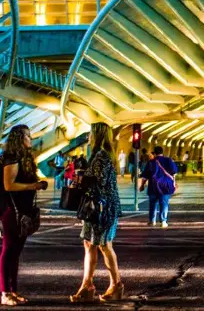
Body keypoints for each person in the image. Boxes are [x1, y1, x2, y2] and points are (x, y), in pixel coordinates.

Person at [70, 123, 123, 303]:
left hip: (102, 208)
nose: (89, 137)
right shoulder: (101, 155)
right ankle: (87, 284)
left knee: (104, 245)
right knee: (89, 244)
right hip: (96, 207)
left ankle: (116, 284)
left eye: (91, 133)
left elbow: (98, 181)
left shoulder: (101, 156)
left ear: (98, 135)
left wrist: (80, 178)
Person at [0, 125, 48, 306]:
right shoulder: (11, 158)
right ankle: (5, 293)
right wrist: (32, 186)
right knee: (8, 251)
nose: (31, 139)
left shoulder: (23, 157)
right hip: (11, 210)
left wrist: (36, 184)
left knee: (16, 253)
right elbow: (9, 185)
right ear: (20, 138)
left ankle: (13, 290)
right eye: (28, 136)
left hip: (23, 209)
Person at [140, 146, 177, 228]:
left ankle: (152, 221)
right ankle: (163, 221)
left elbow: (145, 176)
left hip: (153, 186)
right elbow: (174, 173)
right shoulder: (168, 160)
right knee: (164, 203)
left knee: (152, 204)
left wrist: (142, 185)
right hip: (165, 186)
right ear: (162, 152)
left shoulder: (151, 162)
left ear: (155, 153)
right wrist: (174, 182)